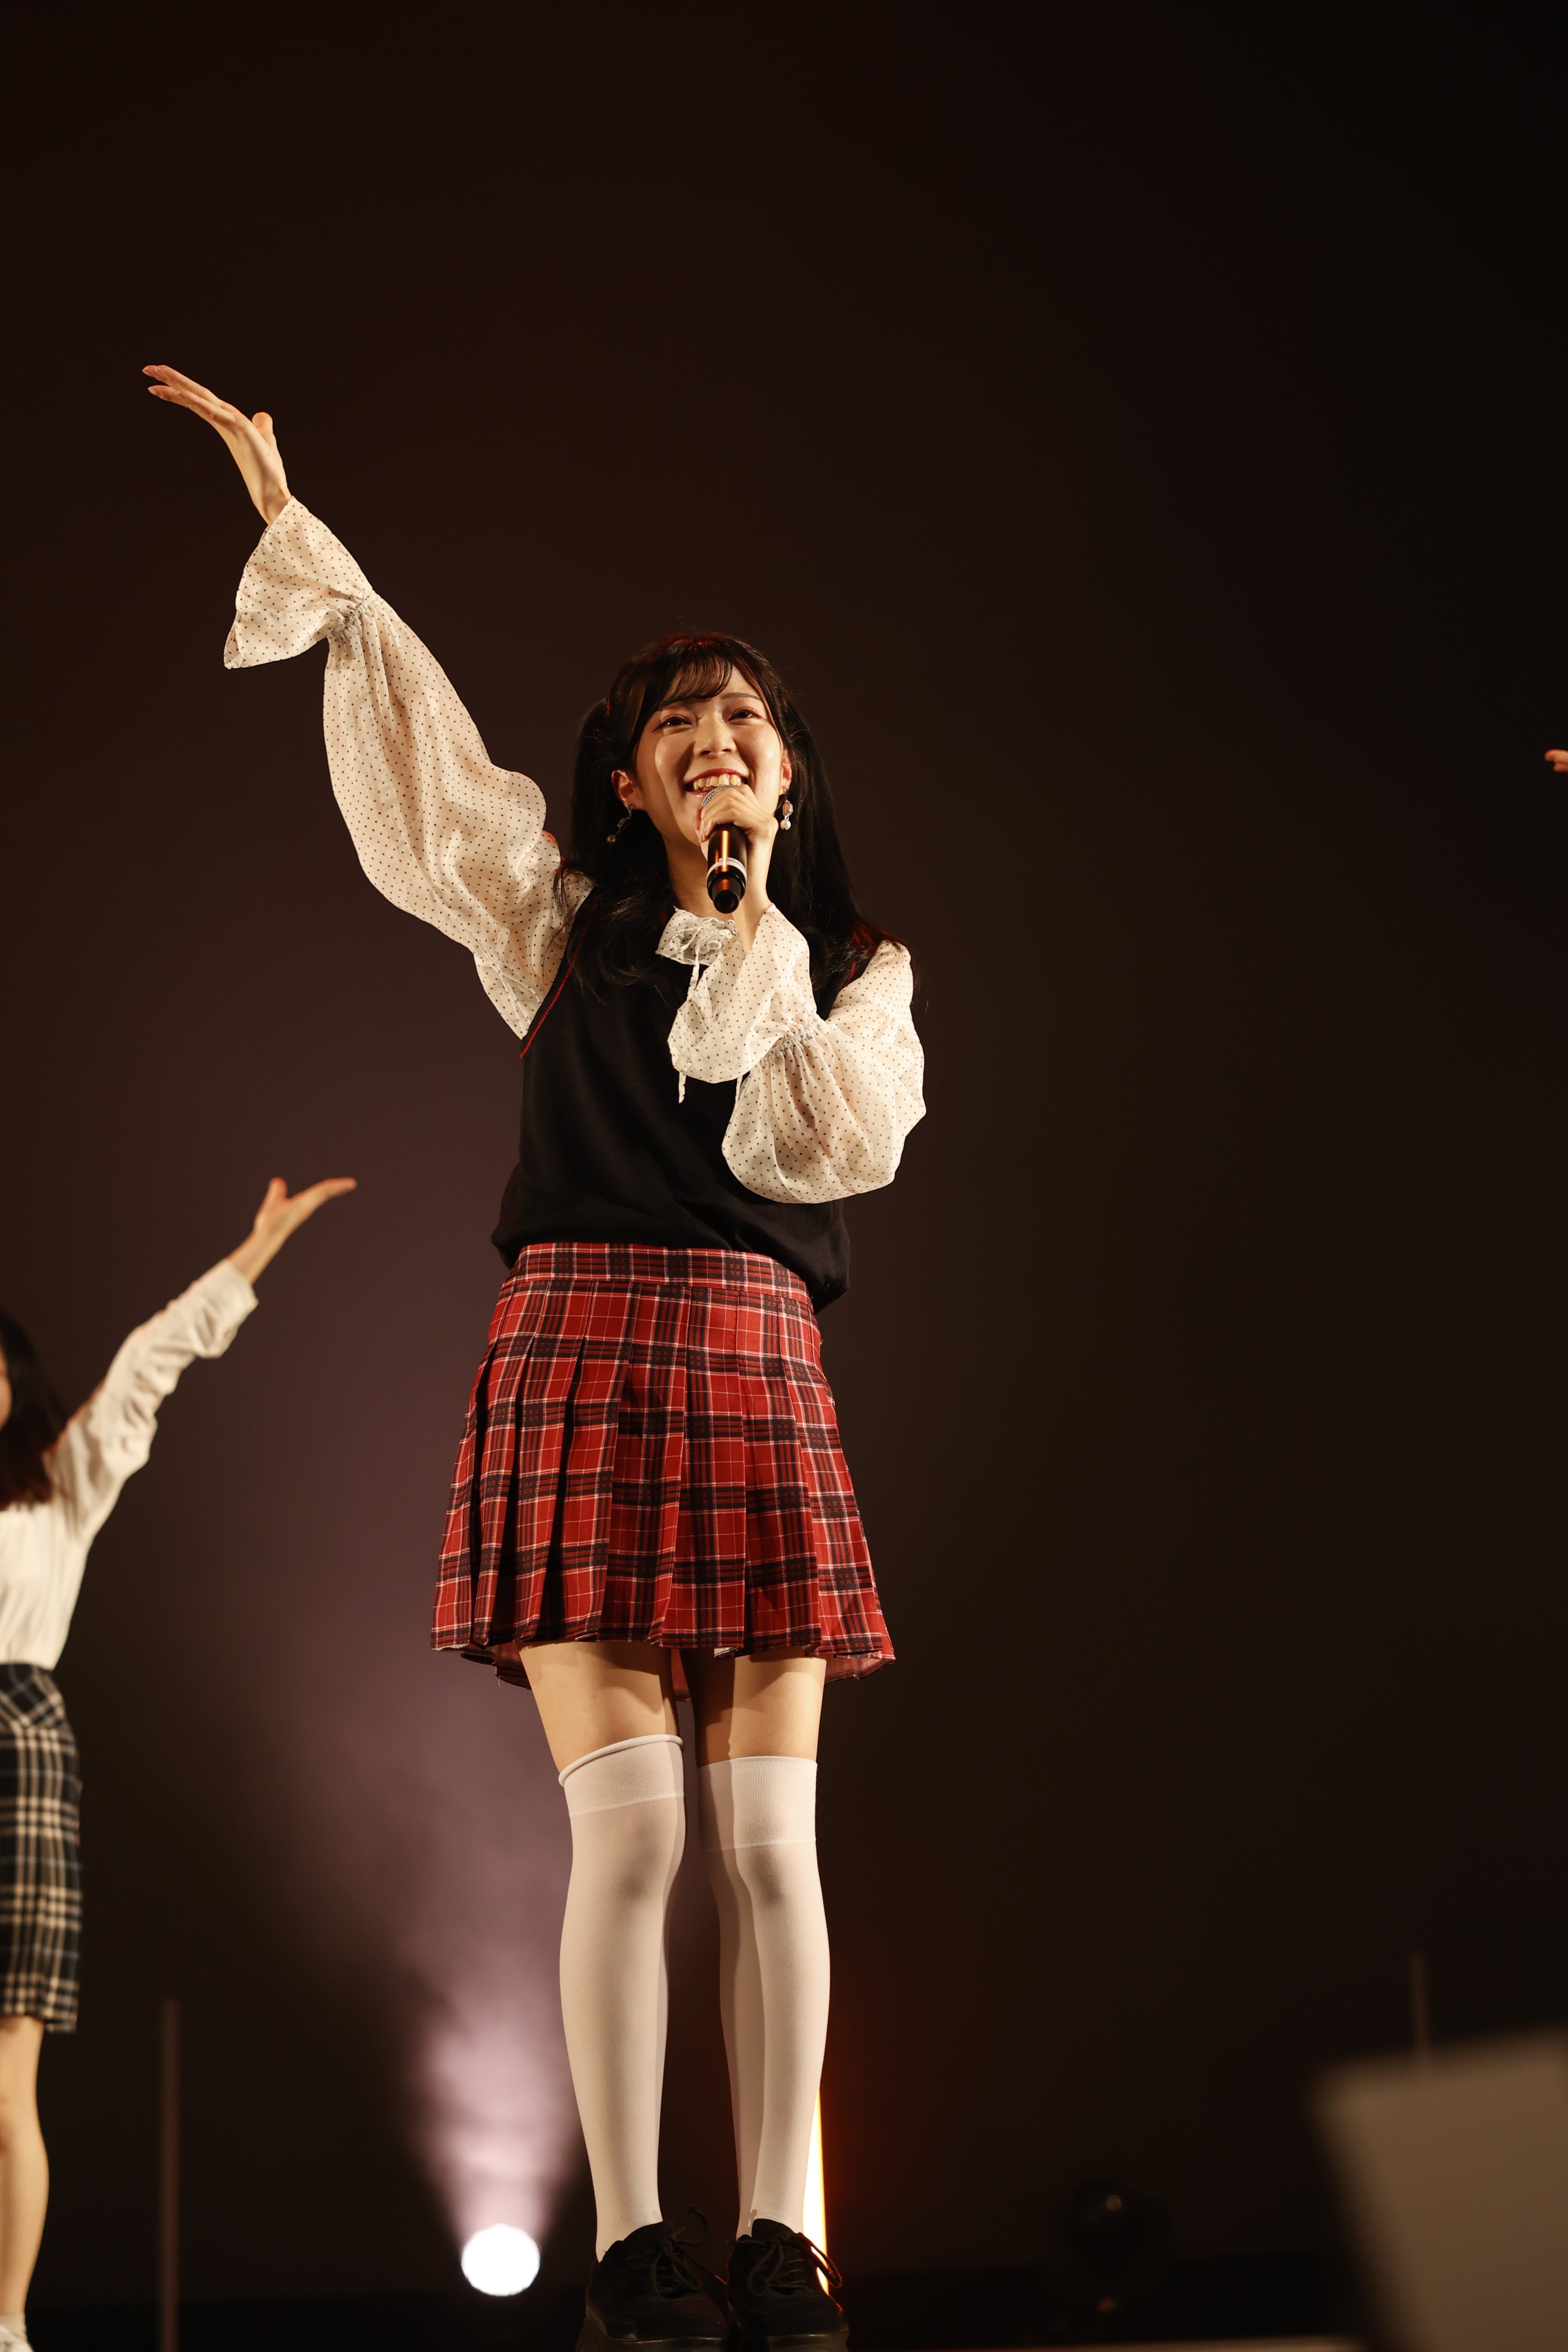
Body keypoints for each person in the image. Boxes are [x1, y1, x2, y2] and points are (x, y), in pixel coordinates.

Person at [148, 360, 925, 2352]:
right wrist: (297, 534)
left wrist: (745, 922)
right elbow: (424, 750)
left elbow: (823, 1144)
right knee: (638, 1833)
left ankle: (786, 2240)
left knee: (770, 1844)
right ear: (630, 783)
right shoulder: (551, 919)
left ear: (787, 779)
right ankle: (639, 2250)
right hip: (579, 1345)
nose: (718, 741)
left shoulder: (856, 978)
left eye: (746, 723)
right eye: (680, 727)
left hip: (755, 1357)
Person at [0, 1173, 354, 2340]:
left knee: (4, 2088)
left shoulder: (59, 1484)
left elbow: (151, 1361)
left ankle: (6, 2328)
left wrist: (252, 1253)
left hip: (17, 1754)